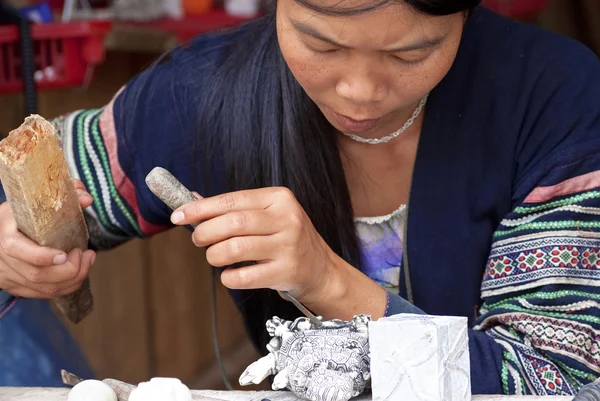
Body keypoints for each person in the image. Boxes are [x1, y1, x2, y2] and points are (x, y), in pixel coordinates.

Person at [0, 0, 599, 395]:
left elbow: (561, 382)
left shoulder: (555, 100)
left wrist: (329, 283)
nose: (359, 92)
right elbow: (48, 179)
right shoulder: (209, 93)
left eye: (408, 53)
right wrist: (15, 245)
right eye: (322, 45)